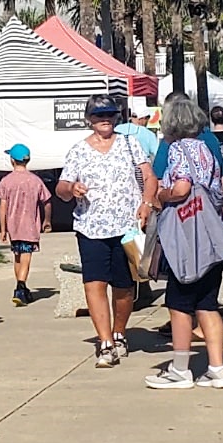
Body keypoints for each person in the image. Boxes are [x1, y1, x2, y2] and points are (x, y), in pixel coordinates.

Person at [145, 94, 223, 390]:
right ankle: (217, 367)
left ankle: (180, 368)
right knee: (208, 305)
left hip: (187, 238)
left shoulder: (177, 150)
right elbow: (220, 190)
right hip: (210, 234)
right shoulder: (209, 149)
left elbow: (182, 187)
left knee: (179, 304)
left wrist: (162, 195)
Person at [58, 95, 156, 368]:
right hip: (90, 227)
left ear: (117, 117)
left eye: (110, 115)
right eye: (99, 116)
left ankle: (119, 332)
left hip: (126, 228)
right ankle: (105, 343)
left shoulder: (129, 143)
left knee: (124, 287)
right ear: (89, 119)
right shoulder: (79, 150)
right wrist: (72, 188)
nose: (105, 120)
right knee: (94, 284)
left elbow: (149, 176)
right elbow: (62, 187)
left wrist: (146, 203)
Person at [0, 144, 51, 306]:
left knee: (17, 256)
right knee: (26, 257)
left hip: (13, 227)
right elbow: (47, 201)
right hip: (30, 227)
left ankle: (21, 286)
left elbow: (2, 206)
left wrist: (3, 228)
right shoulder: (35, 180)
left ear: (12, 160)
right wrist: (47, 220)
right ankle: (20, 286)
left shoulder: (6, 181)